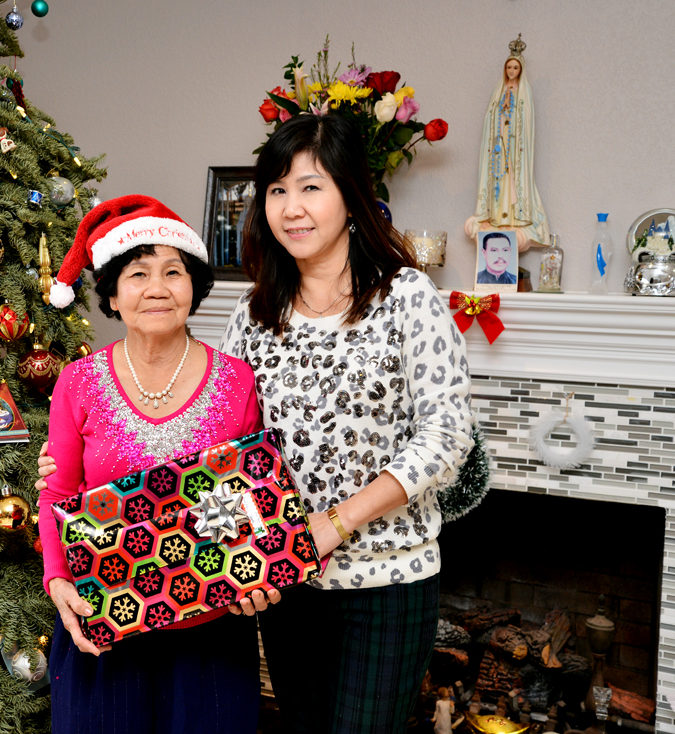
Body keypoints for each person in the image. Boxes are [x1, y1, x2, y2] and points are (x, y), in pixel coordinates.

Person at [221, 112, 474, 733]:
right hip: (287, 584)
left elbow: (446, 438)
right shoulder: (252, 313)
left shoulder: (407, 297)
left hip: (388, 583)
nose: (291, 207)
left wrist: (337, 522)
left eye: (311, 187)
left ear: (351, 196)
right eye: (277, 190)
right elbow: (224, 443)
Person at [37, 195, 270, 734]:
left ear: (194, 287)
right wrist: (56, 581)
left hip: (212, 627)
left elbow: (252, 498)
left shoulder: (238, 381)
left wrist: (261, 571)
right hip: (103, 623)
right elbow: (57, 495)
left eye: (173, 271)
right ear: (113, 297)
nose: (158, 288)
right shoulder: (78, 381)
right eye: (137, 274)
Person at [464, 36, 550, 252]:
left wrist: (515, 135)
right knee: (498, 180)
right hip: (499, 147)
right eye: (509, 67)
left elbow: (526, 121)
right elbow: (490, 119)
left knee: (513, 180)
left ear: (521, 69)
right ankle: (496, 216)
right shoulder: (499, 91)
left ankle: (514, 218)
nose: (512, 71)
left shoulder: (524, 92)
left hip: (515, 150)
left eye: (515, 67)